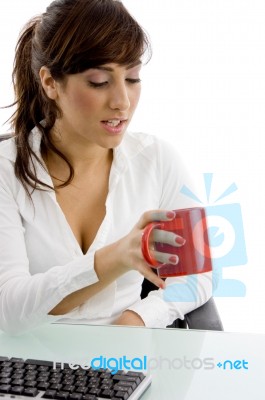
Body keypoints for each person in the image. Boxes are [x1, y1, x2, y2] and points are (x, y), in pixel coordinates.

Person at [0, 0, 212, 335]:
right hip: (26, 366)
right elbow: (8, 309)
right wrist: (113, 258)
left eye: (132, 78)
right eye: (99, 81)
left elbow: (197, 273)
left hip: (119, 361)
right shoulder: (5, 169)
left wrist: (140, 317)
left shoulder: (157, 159)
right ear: (51, 83)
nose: (122, 102)